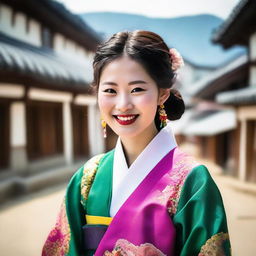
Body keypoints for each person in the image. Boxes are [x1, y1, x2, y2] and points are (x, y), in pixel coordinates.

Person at [42, 30, 231, 256]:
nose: (123, 104)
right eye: (110, 90)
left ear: (162, 94)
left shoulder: (193, 182)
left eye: (137, 89)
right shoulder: (87, 179)